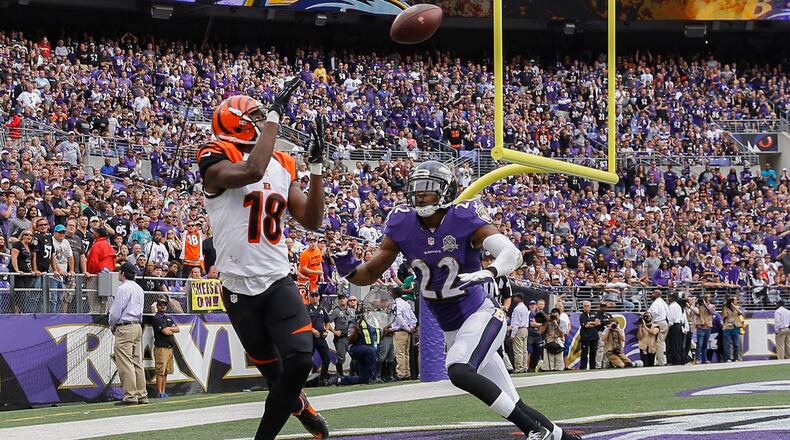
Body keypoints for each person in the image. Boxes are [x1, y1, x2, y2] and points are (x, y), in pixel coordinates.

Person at [332, 161, 580, 440]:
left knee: (458, 369)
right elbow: (368, 274)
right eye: (416, 190)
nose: (420, 197)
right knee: (513, 403)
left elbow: (512, 254)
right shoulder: (402, 223)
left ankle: (534, 431)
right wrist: (349, 269)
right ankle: (563, 437)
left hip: (482, 314)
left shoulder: (464, 217)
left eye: (428, 191)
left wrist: (488, 272)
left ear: (446, 192)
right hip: (452, 329)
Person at [196, 83, 329, 440]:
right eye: (254, 116)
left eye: (262, 115)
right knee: (276, 377)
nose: (263, 121)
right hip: (238, 286)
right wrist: (271, 119)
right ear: (235, 123)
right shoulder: (215, 154)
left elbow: (312, 219)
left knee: (300, 360)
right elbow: (251, 172)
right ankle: (300, 407)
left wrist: (316, 169)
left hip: (276, 278)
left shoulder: (283, 162)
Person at [109, 262, 148, 405]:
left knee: (125, 362)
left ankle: (130, 395)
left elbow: (115, 312)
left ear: (123, 273)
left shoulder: (123, 288)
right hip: (137, 325)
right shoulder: (139, 288)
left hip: (125, 326)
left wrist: (112, 325)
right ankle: (141, 394)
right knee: (137, 361)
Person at [152, 297, 179, 398]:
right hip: (161, 348)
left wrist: (169, 328)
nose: (162, 306)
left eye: (164, 305)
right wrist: (170, 329)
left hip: (169, 348)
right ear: (157, 306)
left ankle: (163, 391)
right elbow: (166, 332)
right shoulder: (156, 318)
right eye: (160, 304)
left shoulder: (168, 317)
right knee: (160, 371)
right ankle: (160, 392)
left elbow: (177, 329)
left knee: (166, 371)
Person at [390, 286, 417, 381]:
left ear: (394, 294)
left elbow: (399, 317)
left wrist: (406, 327)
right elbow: (413, 317)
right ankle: (407, 372)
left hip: (400, 331)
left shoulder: (395, 304)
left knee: (399, 353)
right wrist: (411, 327)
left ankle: (401, 373)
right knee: (406, 353)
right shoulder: (406, 304)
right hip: (407, 332)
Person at [328, 293, 355, 379]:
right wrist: (334, 331)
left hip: (350, 337)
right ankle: (340, 376)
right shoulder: (336, 311)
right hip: (341, 338)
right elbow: (327, 322)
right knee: (341, 357)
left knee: (354, 355)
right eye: (340, 299)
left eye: (344, 298)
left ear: (347, 299)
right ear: (338, 300)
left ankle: (353, 374)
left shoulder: (350, 310)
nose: (342, 300)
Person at [307, 291, 331, 385]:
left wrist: (326, 331)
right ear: (310, 297)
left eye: (316, 296)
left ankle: (323, 379)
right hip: (310, 338)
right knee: (307, 360)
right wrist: (313, 330)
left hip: (321, 337)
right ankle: (304, 379)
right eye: (312, 296)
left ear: (319, 297)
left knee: (326, 359)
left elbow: (327, 322)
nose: (314, 298)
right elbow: (304, 322)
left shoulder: (322, 309)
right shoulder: (306, 308)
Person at [648, 289, 670, 366]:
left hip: (658, 322)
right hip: (664, 322)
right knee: (662, 342)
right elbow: (668, 312)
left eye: (653, 293)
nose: (651, 295)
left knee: (659, 343)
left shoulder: (655, 303)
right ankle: (662, 360)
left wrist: (651, 320)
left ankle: (661, 362)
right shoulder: (663, 302)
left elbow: (654, 312)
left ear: (657, 294)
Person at [691, 294, 715, 364]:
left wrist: (705, 304)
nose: (706, 299)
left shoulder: (712, 306)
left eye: (707, 297)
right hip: (701, 326)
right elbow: (696, 312)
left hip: (708, 326)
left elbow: (711, 312)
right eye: (705, 297)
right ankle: (698, 358)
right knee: (699, 344)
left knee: (705, 344)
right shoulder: (699, 306)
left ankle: (705, 359)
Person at [509, 293, 530, 373]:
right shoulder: (525, 307)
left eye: (515, 297)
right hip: (525, 329)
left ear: (519, 298)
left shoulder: (517, 309)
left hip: (519, 329)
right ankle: (525, 367)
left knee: (518, 350)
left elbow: (516, 323)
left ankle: (519, 368)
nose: (514, 299)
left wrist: (513, 334)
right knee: (524, 350)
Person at [578, 300, 599, 370]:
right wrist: (593, 323)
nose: (586, 307)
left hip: (594, 336)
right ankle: (583, 367)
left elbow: (598, 323)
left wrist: (590, 323)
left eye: (588, 306)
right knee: (584, 352)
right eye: (585, 306)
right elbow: (586, 325)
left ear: (590, 307)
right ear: (583, 307)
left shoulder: (594, 314)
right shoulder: (582, 315)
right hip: (585, 337)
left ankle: (592, 367)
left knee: (593, 352)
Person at [722, 296, 744, 362]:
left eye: (734, 300)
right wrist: (725, 306)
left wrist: (733, 306)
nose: (733, 301)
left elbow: (741, 313)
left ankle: (736, 358)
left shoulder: (737, 307)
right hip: (727, 327)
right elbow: (724, 316)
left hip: (735, 326)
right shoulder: (725, 307)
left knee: (736, 344)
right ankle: (728, 358)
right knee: (727, 344)